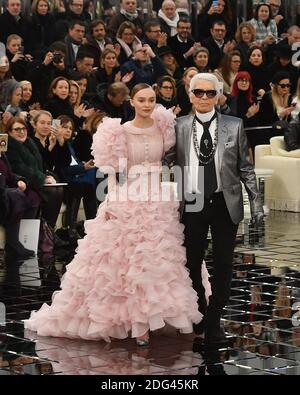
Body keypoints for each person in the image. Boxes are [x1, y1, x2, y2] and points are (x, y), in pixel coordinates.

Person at [24, 83, 210, 346]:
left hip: (160, 196)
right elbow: (111, 173)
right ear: (132, 102)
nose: (147, 104)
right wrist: (110, 202)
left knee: (161, 259)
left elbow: (177, 159)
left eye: (151, 100)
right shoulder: (118, 131)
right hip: (129, 196)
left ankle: (167, 317)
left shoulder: (165, 128)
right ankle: (137, 325)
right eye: (142, 100)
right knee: (128, 263)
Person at [169, 73, 264, 345]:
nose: (204, 97)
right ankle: (200, 306)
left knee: (224, 263)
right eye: (198, 92)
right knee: (191, 262)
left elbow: (246, 169)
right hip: (193, 201)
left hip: (225, 202)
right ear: (190, 95)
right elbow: (166, 162)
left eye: (210, 93)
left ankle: (215, 316)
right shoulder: (179, 126)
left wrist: (255, 203)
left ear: (218, 96)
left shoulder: (234, 125)